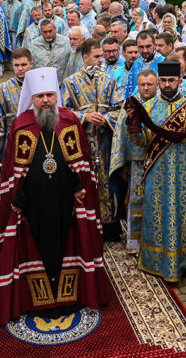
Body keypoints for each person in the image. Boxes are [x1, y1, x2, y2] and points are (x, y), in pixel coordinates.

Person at [0, 67, 107, 323]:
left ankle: (66, 296)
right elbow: (15, 172)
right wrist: (18, 199)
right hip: (34, 203)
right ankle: (37, 298)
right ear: (31, 97)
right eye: (40, 96)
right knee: (38, 246)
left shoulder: (69, 121)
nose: (46, 101)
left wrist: (79, 186)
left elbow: (79, 163)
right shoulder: (22, 126)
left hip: (65, 200)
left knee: (65, 244)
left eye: (50, 95)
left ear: (56, 96)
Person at [131, 61, 186, 281]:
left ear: (179, 81)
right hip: (157, 173)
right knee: (156, 216)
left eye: (171, 81)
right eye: (163, 81)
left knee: (184, 217)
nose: (167, 85)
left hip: (185, 174)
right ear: (158, 82)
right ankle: (154, 261)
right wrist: (134, 129)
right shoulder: (148, 108)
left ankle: (183, 262)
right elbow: (142, 142)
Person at [61, 39, 126, 240]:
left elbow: (121, 109)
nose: (100, 60)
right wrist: (84, 117)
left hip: (106, 142)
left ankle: (108, 226)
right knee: (83, 182)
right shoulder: (70, 82)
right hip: (81, 144)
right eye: (97, 56)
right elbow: (63, 112)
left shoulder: (110, 80)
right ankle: (84, 226)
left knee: (107, 181)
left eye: (101, 56)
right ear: (85, 57)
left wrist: (106, 119)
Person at [110, 68, 158, 251]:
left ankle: (154, 242)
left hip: (158, 160)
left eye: (149, 84)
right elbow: (120, 135)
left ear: (157, 84)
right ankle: (136, 243)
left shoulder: (161, 103)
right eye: (142, 85)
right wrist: (122, 164)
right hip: (136, 163)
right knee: (136, 201)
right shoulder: (130, 103)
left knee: (156, 201)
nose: (145, 88)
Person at [0, 48, 33, 156]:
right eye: (16, 65)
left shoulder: (40, 85)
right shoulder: (3, 89)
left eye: (23, 64)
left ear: (31, 64)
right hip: (13, 141)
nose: (20, 69)